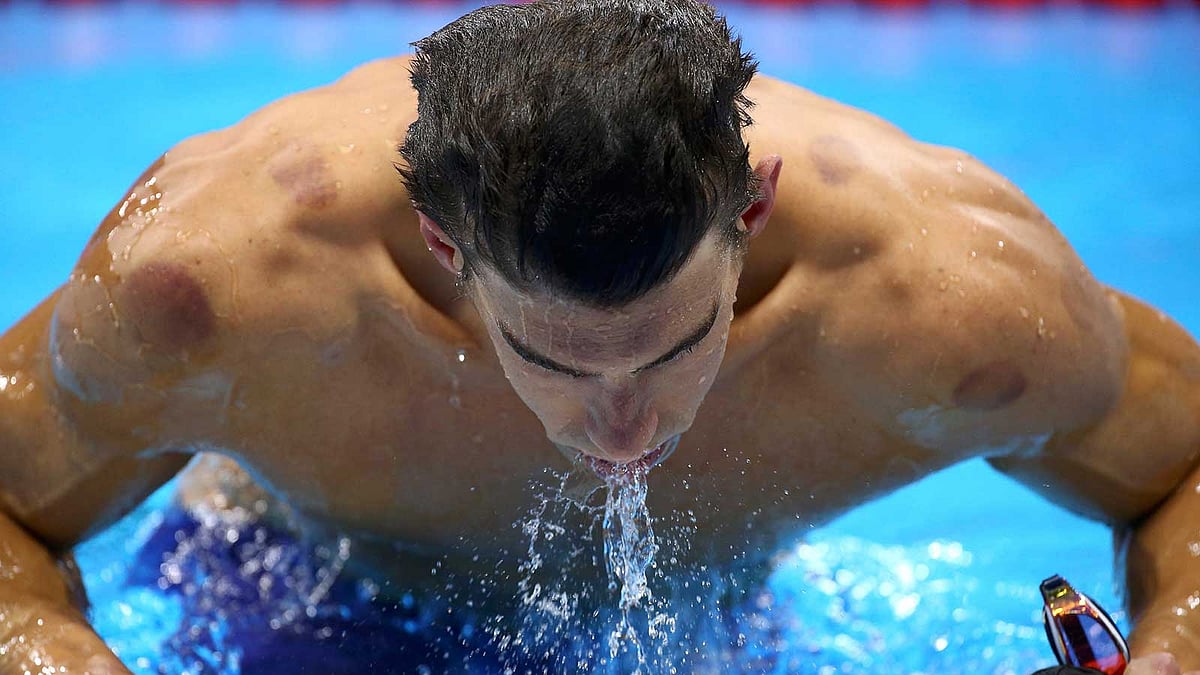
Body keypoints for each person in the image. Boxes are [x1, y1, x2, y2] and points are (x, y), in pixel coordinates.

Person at [0, 0, 1197, 672]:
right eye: (558, 360)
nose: (621, 429)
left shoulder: (955, 302)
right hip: (311, 603)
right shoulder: (218, 289)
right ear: (444, 249)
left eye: (676, 350)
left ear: (754, 210)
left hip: (706, 628)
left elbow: (1180, 468)